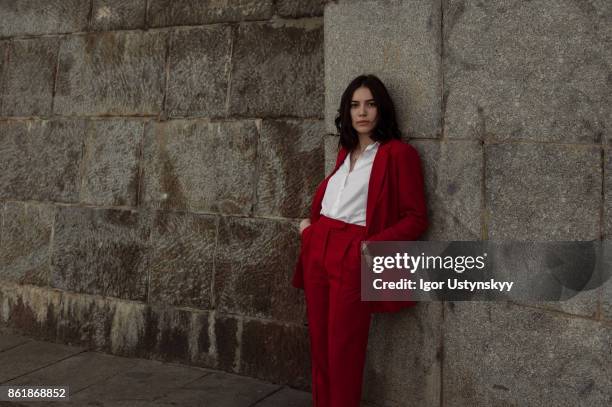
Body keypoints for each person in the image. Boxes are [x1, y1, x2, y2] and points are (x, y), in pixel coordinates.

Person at [292, 74, 428, 407]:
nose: (362, 112)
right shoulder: (345, 152)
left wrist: (366, 250)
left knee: (343, 351)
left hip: (353, 255)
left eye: (370, 104)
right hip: (319, 248)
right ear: (346, 111)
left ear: (382, 109)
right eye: (355, 105)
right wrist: (309, 231)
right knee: (321, 348)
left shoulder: (398, 154)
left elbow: (416, 218)